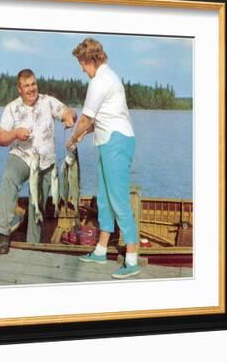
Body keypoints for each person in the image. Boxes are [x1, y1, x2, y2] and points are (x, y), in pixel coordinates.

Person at [68, 38, 139, 279]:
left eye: (82, 63)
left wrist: (71, 139)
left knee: (118, 200)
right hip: (109, 141)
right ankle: (100, 250)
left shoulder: (99, 81)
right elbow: (96, 121)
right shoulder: (109, 77)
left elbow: (87, 119)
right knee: (105, 200)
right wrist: (80, 135)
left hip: (115, 142)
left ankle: (132, 259)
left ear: (90, 60)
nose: (81, 69)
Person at [0, 69, 77, 254]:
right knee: (9, 179)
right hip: (22, 157)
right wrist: (15, 133)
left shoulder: (48, 101)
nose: (31, 89)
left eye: (33, 84)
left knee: (37, 202)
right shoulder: (11, 108)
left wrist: (69, 117)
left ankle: (32, 244)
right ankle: (3, 234)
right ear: (19, 89)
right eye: (26, 86)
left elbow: (67, 111)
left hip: (46, 162)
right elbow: (1, 138)